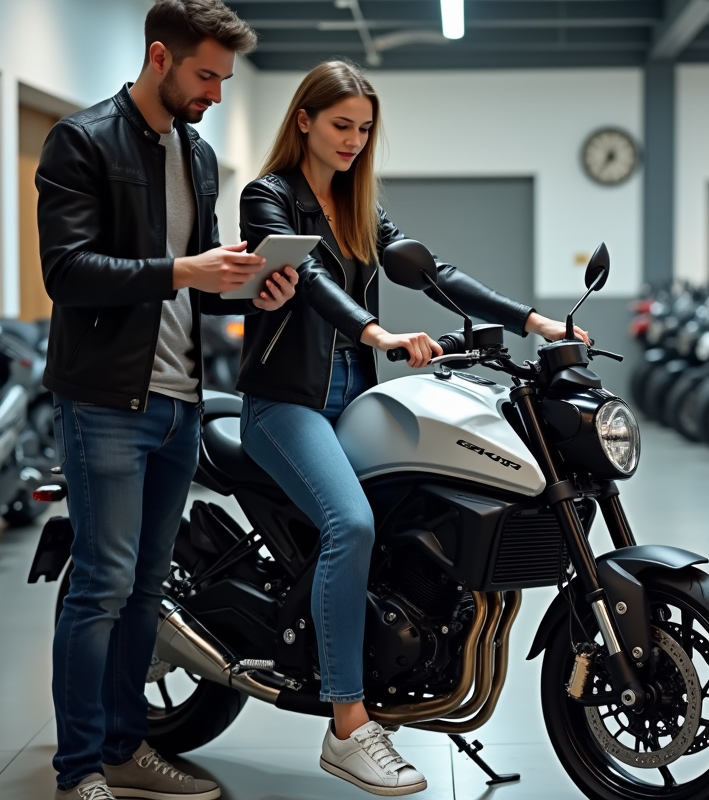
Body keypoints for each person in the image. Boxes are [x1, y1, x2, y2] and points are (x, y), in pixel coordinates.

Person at [235, 60, 588, 796]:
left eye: (364, 131)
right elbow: (308, 283)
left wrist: (531, 320)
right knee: (351, 527)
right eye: (341, 126)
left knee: (411, 521)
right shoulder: (268, 197)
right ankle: (347, 725)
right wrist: (377, 332)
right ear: (303, 119)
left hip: (353, 400)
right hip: (285, 404)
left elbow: (438, 273)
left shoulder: (361, 206)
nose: (354, 142)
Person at [36, 3, 297, 799]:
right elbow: (67, 272)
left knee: (147, 589)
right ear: (160, 57)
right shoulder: (81, 140)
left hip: (181, 398)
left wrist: (251, 291)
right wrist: (183, 270)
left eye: (223, 77)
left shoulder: (200, 155)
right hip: (107, 401)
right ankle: (78, 769)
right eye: (206, 74)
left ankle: (126, 751)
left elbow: (195, 286)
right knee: (102, 586)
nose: (216, 92)